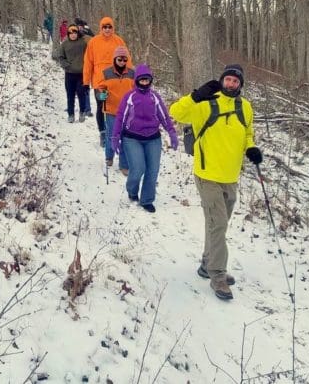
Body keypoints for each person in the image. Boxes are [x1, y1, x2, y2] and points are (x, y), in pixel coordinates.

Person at [169, 64, 262, 301]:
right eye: (228, 79)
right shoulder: (205, 103)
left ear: (241, 84)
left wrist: (251, 149)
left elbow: (248, 133)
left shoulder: (245, 107)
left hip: (231, 177)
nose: (231, 84)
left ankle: (207, 263)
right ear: (222, 80)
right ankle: (218, 275)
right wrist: (195, 96)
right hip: (207, 174)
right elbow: (175, 113)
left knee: (218, 224)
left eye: (235, 81)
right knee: (218, 223)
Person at [110, 64, 178, 213]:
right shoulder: (130, 97)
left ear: (151, 81)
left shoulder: (155, 97)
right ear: (136, 80)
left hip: (153, 138)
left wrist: (172, 132)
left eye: (147, 80)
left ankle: (147, 199)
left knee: (152, 170)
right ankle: (132, 190)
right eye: (142, 80)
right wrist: (115, 136)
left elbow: (164, 116)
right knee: (138, 168)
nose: (145, 83)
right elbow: (120, 117)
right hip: (132, 137)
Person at [82, 16, 130, 149]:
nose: (107, 29)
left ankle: (117, 132)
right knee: (101, 106)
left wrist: (131, 78)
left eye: (109, 27)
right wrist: (86, 81)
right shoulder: (93, 42)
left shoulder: (119, 41)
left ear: (113, 28)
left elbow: (127, 60)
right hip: (99, 83)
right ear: (101, 28)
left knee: (116, 107)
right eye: (105, 27)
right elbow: (88, 62)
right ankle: (103, 133)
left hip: (116, 82)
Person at [97, 46, 134, 172]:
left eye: (125, 59)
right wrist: (101, 94)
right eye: (120, 59)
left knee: (125, 138)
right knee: (112, 135)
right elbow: (100, 88)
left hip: (128, 111)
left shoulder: (132, 73)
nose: (122, 62)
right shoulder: (106, 73)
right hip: (111, 110)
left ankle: (124, 165)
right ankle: (109, 156)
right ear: (115, 59)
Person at [57, 25, 91, 122]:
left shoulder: (83, 43)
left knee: (81, 93)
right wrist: (66, 65)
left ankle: (82, 112)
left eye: (75, 32)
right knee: (70, 94)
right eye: (71, 33)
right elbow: (61, 57)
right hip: (69, 73)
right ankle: (71, 114)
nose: (73, 35)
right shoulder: (64, 44)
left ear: (77, 33)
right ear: (68, 34)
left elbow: (89, 55)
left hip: (81, 73)